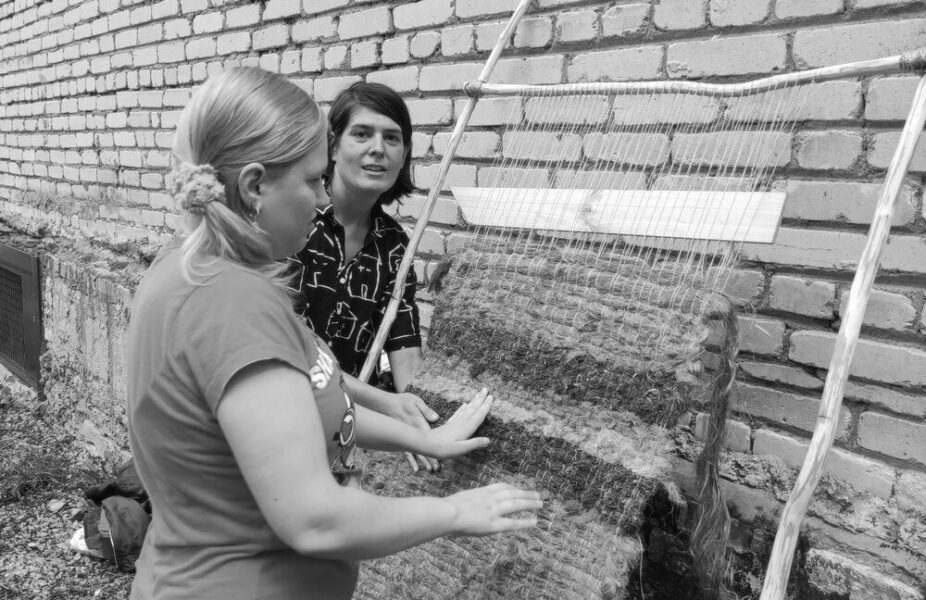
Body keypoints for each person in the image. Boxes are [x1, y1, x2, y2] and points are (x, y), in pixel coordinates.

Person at [126, 67, 542, 600]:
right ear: (255, 185)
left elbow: (316, 396)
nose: (323, 199)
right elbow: (317, 520)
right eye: (311, 181)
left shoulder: (198, 270)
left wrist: (419, 435)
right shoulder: (232, 304)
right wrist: (456, 511)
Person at [289, 82, 434, 470]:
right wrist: (390, 406)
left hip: (343, 426)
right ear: (333, 147)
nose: (378, 148)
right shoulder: (294, 222)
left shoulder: (394, 245)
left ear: (404, 157)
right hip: (282, 411)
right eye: (362, 133)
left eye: (392, 138)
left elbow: (403, 341)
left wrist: (417, 416)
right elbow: (293, 349)